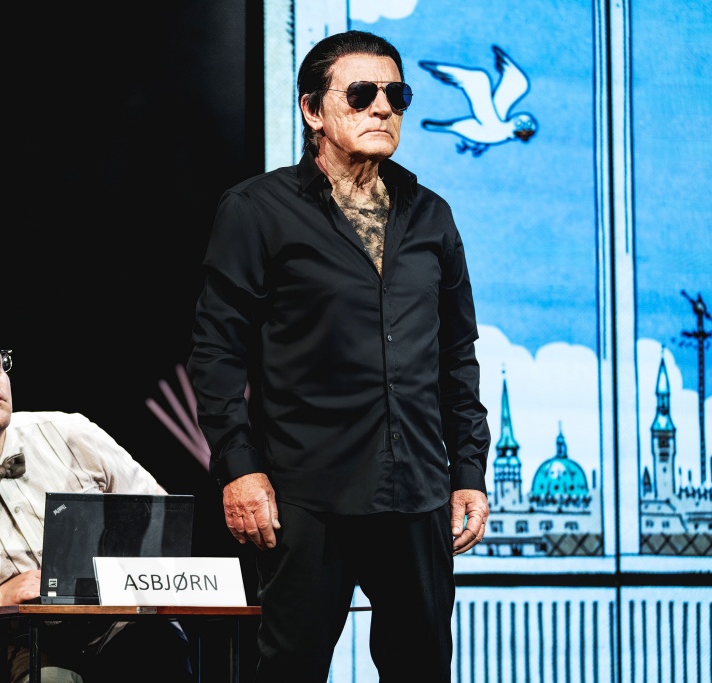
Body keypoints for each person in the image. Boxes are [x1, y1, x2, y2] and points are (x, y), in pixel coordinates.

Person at [186, 30, 491, 682]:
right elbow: (216, 351)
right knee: (290, 669)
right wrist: (239, 468)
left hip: (417, 494)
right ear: (312, 110)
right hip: (307, 495)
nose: (382, 107)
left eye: (396, 95)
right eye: (360, 93)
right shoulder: (257, 210)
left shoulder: (432, 215)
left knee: (423, 670)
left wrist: (468, 470)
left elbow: (457, 356)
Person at [0, 319, 194, 683]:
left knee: (159, 646)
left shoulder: (71, 434)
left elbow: (161, 517)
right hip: (16, 643)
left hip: (112, 618)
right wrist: (2, 598)